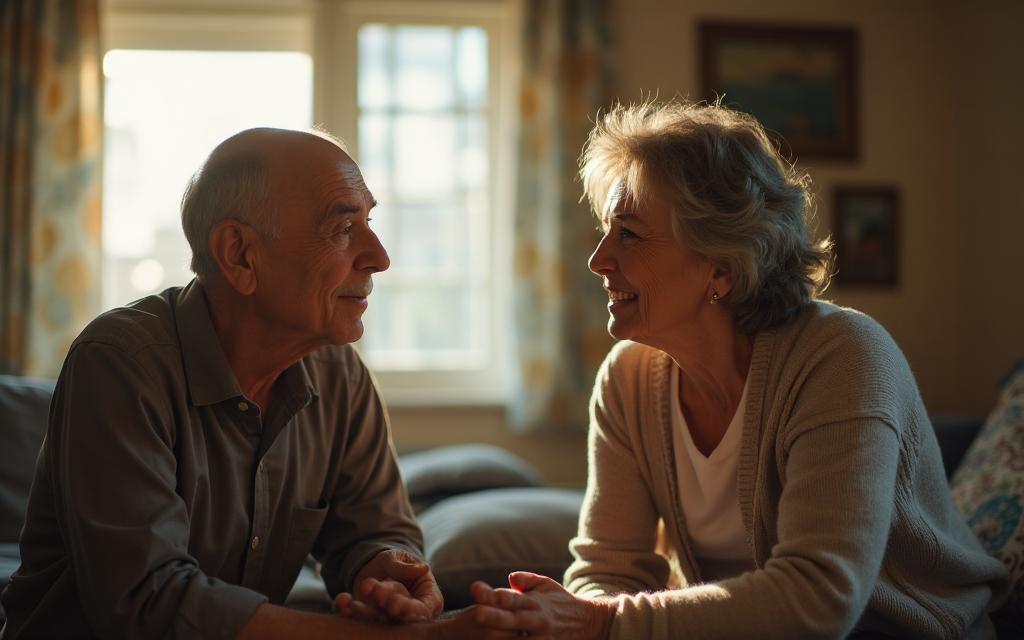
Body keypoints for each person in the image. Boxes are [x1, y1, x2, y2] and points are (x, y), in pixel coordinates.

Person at [467, 101, 1009, 639]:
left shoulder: (843, 357)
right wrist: (575, 617)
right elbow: (608, 569)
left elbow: (820, 596)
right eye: (606, 230)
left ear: (721, 267)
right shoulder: (627, 378)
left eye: (628, 233)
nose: (598, 259)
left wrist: (601, 622)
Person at [0, 128, 448, 639]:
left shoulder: (339, 373)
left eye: (369, 221)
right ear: (238, 254)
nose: (380, 256)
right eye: (344, 227)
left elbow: (378, 530)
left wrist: (386, 571)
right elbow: (148, 604)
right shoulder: (119, 364)